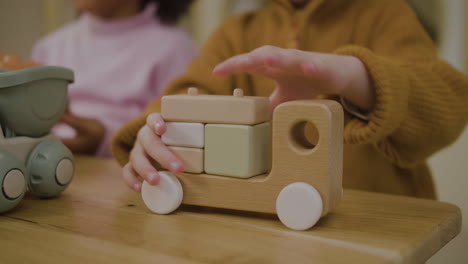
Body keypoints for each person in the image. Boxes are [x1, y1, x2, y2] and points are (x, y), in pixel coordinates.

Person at [112, 0, 468, 198]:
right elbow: (186, 93)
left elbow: (448, 106)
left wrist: (357, 76)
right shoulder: (238, 31)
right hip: (262, 234)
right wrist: (155, 130)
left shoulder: (388, 15)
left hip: (377, 230)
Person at [32, 0, 197, 157]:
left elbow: (178, 135)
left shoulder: (175, 47)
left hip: (125, 171)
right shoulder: (50, 46)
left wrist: (105, 140)